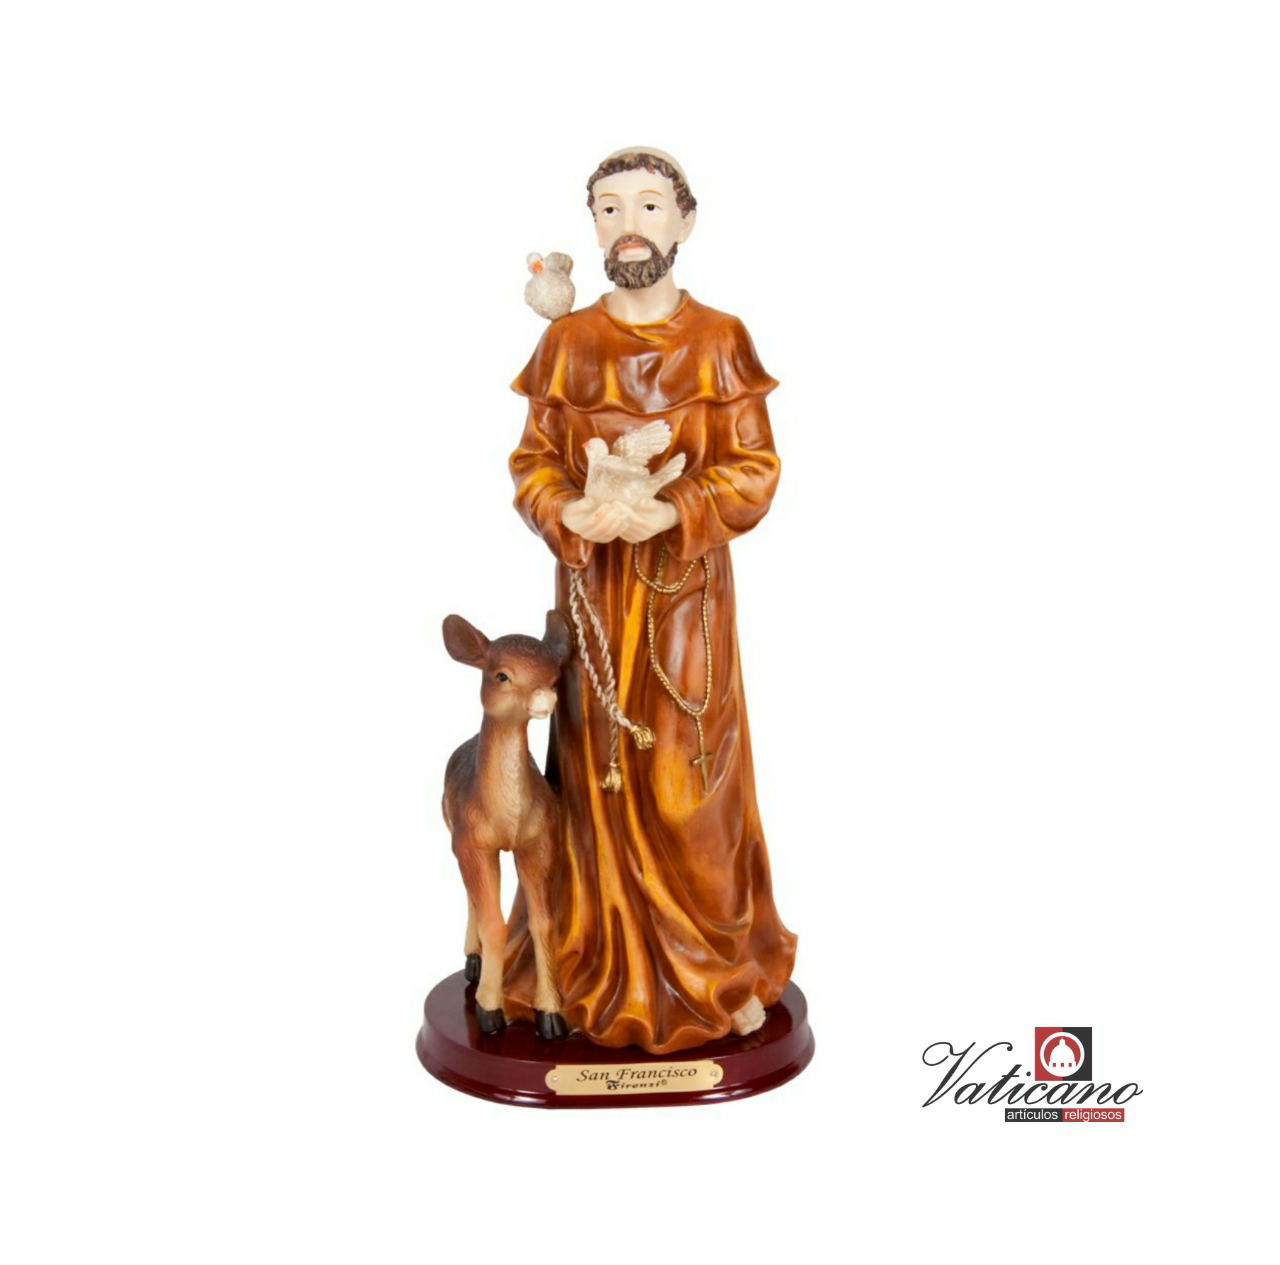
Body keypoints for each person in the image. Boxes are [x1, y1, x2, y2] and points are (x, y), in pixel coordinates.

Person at [503, 148, 796, 1054]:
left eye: (649, 206)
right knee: (594, 780)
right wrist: (569, 510)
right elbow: (532, 463)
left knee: (687, 790)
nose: (628, 225)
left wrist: (674, 509)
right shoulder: (567, 344)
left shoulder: (720, 339)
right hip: (594, 599)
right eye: (609, 208)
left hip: (683, 605)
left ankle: (714, 972)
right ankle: (587, 963)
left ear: (685, 221)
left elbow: (754, 468)